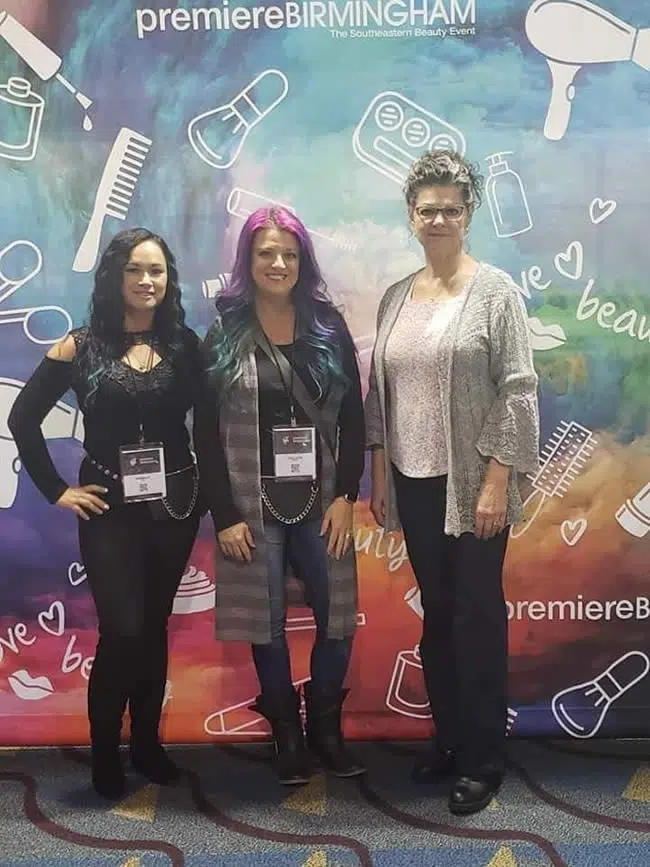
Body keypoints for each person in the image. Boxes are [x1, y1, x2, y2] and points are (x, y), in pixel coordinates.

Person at [365, 149, 540, 815]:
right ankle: (448, 739)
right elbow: (378, 394)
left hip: (472, 483)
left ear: (468, 216)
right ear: (411, 216)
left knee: (476, 617)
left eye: (451, 209)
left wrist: (497, 478)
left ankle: (483, 758)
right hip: (412, 482)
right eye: (426, 209)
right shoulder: (395, 296)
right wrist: (379, 472)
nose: (437, 219)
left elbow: (518, 390)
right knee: (437, 616)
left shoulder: (495, 292)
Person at [8, 228, 203, 800]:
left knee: (154, 627)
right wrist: (56, 490)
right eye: (134, 270)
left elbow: (212, 425)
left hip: (174, 507)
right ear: (114, 277)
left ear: (169, 281)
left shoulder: (185, 346)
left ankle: (146, 746)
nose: (146, 280)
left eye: (157, 271)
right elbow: (22, 419)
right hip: (109, 510)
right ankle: (104, 752)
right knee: (122, 630)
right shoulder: (81, 345)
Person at [195, 206, 366, 786]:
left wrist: (346, 495)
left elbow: (354, 416)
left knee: (337, 618)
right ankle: (286, 733)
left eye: (289, 254)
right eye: (266, 253)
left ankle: (326, 729)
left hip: (323, 501)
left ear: (303, 262)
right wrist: (224, 515)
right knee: (264, 623)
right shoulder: (226, 330)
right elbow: (205, 433)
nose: (278, 263)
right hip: (251, 505)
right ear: (248, 259)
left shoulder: (326, 325)